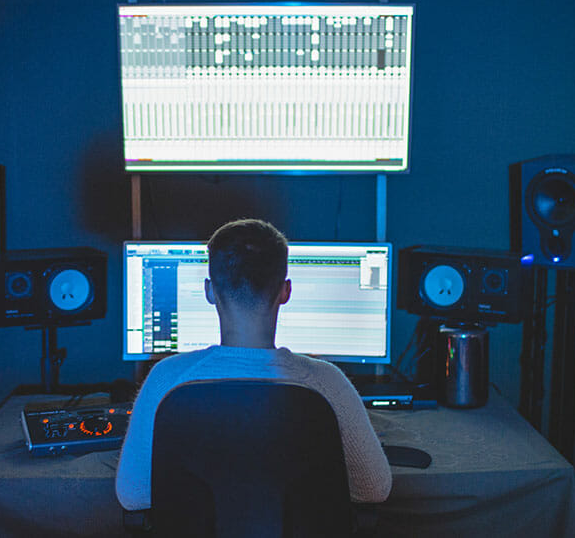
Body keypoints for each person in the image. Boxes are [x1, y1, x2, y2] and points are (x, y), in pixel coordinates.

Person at [115, 219, 392, 511]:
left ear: (209, 291)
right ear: (286, 292)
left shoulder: (167, 379)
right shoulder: (327, 383)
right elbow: (374, 489)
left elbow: (132, 495)